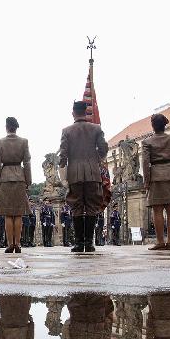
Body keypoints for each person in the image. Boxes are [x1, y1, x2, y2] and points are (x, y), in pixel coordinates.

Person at [58, 101, 109, 253]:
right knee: (92, 207)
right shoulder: (96, 128)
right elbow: (104, 148)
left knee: (77, 207)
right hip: (93, 172)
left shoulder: (66, 131)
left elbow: (63, 154)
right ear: (86, 112)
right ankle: (90, 243)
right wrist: (97, 159)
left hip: (75, 173)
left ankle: (79, 243)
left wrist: (63, 169)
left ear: (73, 113)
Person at [141, 113, 170, 251]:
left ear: (153, 126)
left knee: (157, 210)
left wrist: (146, 181)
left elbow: (145, 163)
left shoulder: (147, 142)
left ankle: (160, 241)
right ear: (165, 125)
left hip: (156, 175)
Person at [0, 116, 33, 254]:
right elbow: (27, 163)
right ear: (16, 127)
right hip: (19, 177)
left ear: (6, 127)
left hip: (5, 177)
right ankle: (18, 244)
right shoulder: (24, 142)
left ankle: (10, 244)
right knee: (18, 214)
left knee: (8, 214)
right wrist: (28, 181)